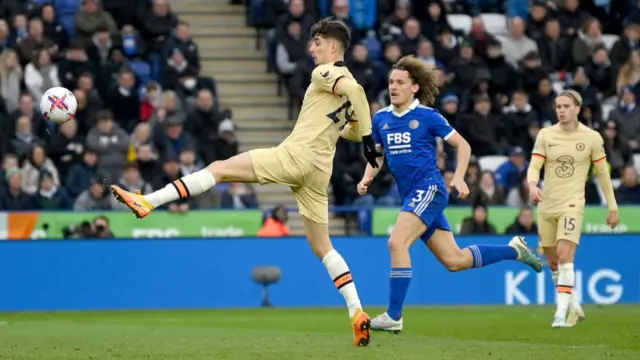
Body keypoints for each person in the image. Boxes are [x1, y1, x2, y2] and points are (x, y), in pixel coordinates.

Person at [110, 18, 378, 347]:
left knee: (219, 168)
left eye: (318, 43)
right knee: (323, 247)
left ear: (333, 47)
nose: (311, 48)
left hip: (295, 157)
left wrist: (367, 139)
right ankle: (357, 312)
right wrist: (364, 133)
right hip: (319, 171)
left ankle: (148, 201)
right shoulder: (345, 83)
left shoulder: (324, 73)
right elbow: (348, 126)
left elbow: (356, 96)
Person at [355, 55, 543, 333]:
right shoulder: (381, 118)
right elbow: (378, 156)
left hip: (429, 188)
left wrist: (457, 177)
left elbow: (463, 146)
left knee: (396, 243)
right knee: (455, 261)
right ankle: (514, 250)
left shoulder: (428, 117)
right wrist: (367, 177)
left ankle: (394, 315)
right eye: (391, 82)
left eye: (400, 82)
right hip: (412, 196)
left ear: (414, 87)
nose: (393, 87)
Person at [526, 89, 619, 328]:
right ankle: (574, 307)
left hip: (572, 204)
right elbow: (535, 164)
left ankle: (561, 312)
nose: (562, 110)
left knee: (566, 256)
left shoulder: (592, 138)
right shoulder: (546, 135)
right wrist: (532, 184)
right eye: (558, 107)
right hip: (547, 205)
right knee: (554, 262)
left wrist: (612, 206)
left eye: (566, 106)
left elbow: (602, 175)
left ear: (577, 108)